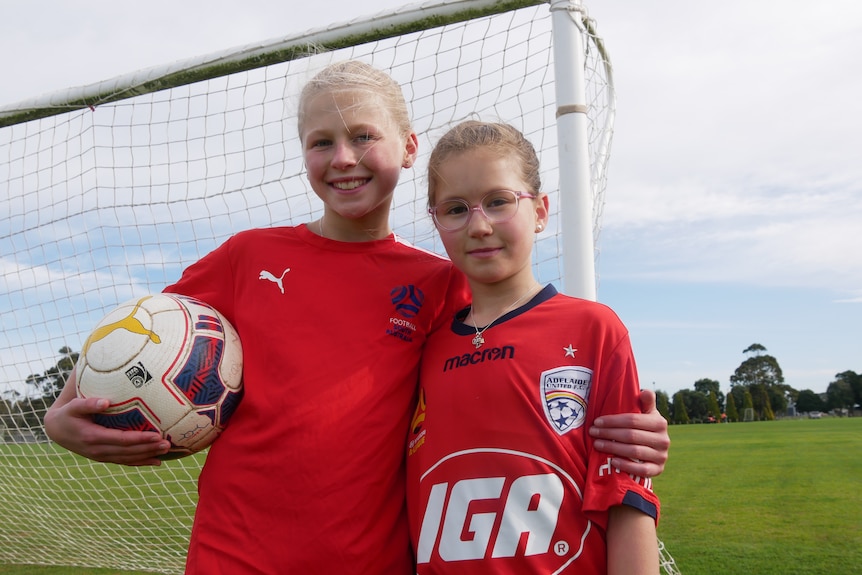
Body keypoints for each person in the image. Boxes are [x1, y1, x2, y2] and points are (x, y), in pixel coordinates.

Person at [44, 62, 667, 574]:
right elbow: (133, 340)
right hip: (233, 558)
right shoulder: (248, 257)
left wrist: (635, 432)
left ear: (408, 147)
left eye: (364, 136)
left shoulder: (440, 284)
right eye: (322, 142)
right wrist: (59, 420)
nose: (344, 157)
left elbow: (524, 362)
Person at [406, 120, 659, 573]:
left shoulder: (592, 329)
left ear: (540, 211)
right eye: (455, 209)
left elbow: (627, 496)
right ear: (436, 222)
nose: (479, 225)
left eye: (499, 202)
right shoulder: (425, 347)